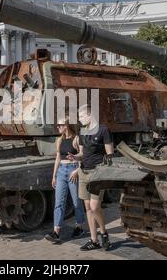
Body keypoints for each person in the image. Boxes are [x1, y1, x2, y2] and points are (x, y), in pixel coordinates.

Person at [68, 105, 115, 251]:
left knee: (95, 207)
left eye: (81, 116)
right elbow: (83, 153)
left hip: (97, 173)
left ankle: (104, 234)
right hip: (83, 172)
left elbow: (110, 155)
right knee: (88, 208)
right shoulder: (83, 132)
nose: (79, 120)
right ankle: (94, 240)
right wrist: (74, 157)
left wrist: (105, 173)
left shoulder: (103, 130)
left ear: (89, 114)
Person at [45, 119, 86, 244]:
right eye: (57, 125)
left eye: (60, 125)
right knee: (59, 202)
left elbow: (83, 155)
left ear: (67, 126)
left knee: (76, 202)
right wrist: (54, 175)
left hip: (73, 170)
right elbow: (58, 158)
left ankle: (79, 227)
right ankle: (56, 231)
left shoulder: (77, 139)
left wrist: (77, 170)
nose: (58, 127)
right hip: (62, 171)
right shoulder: (59, 140)